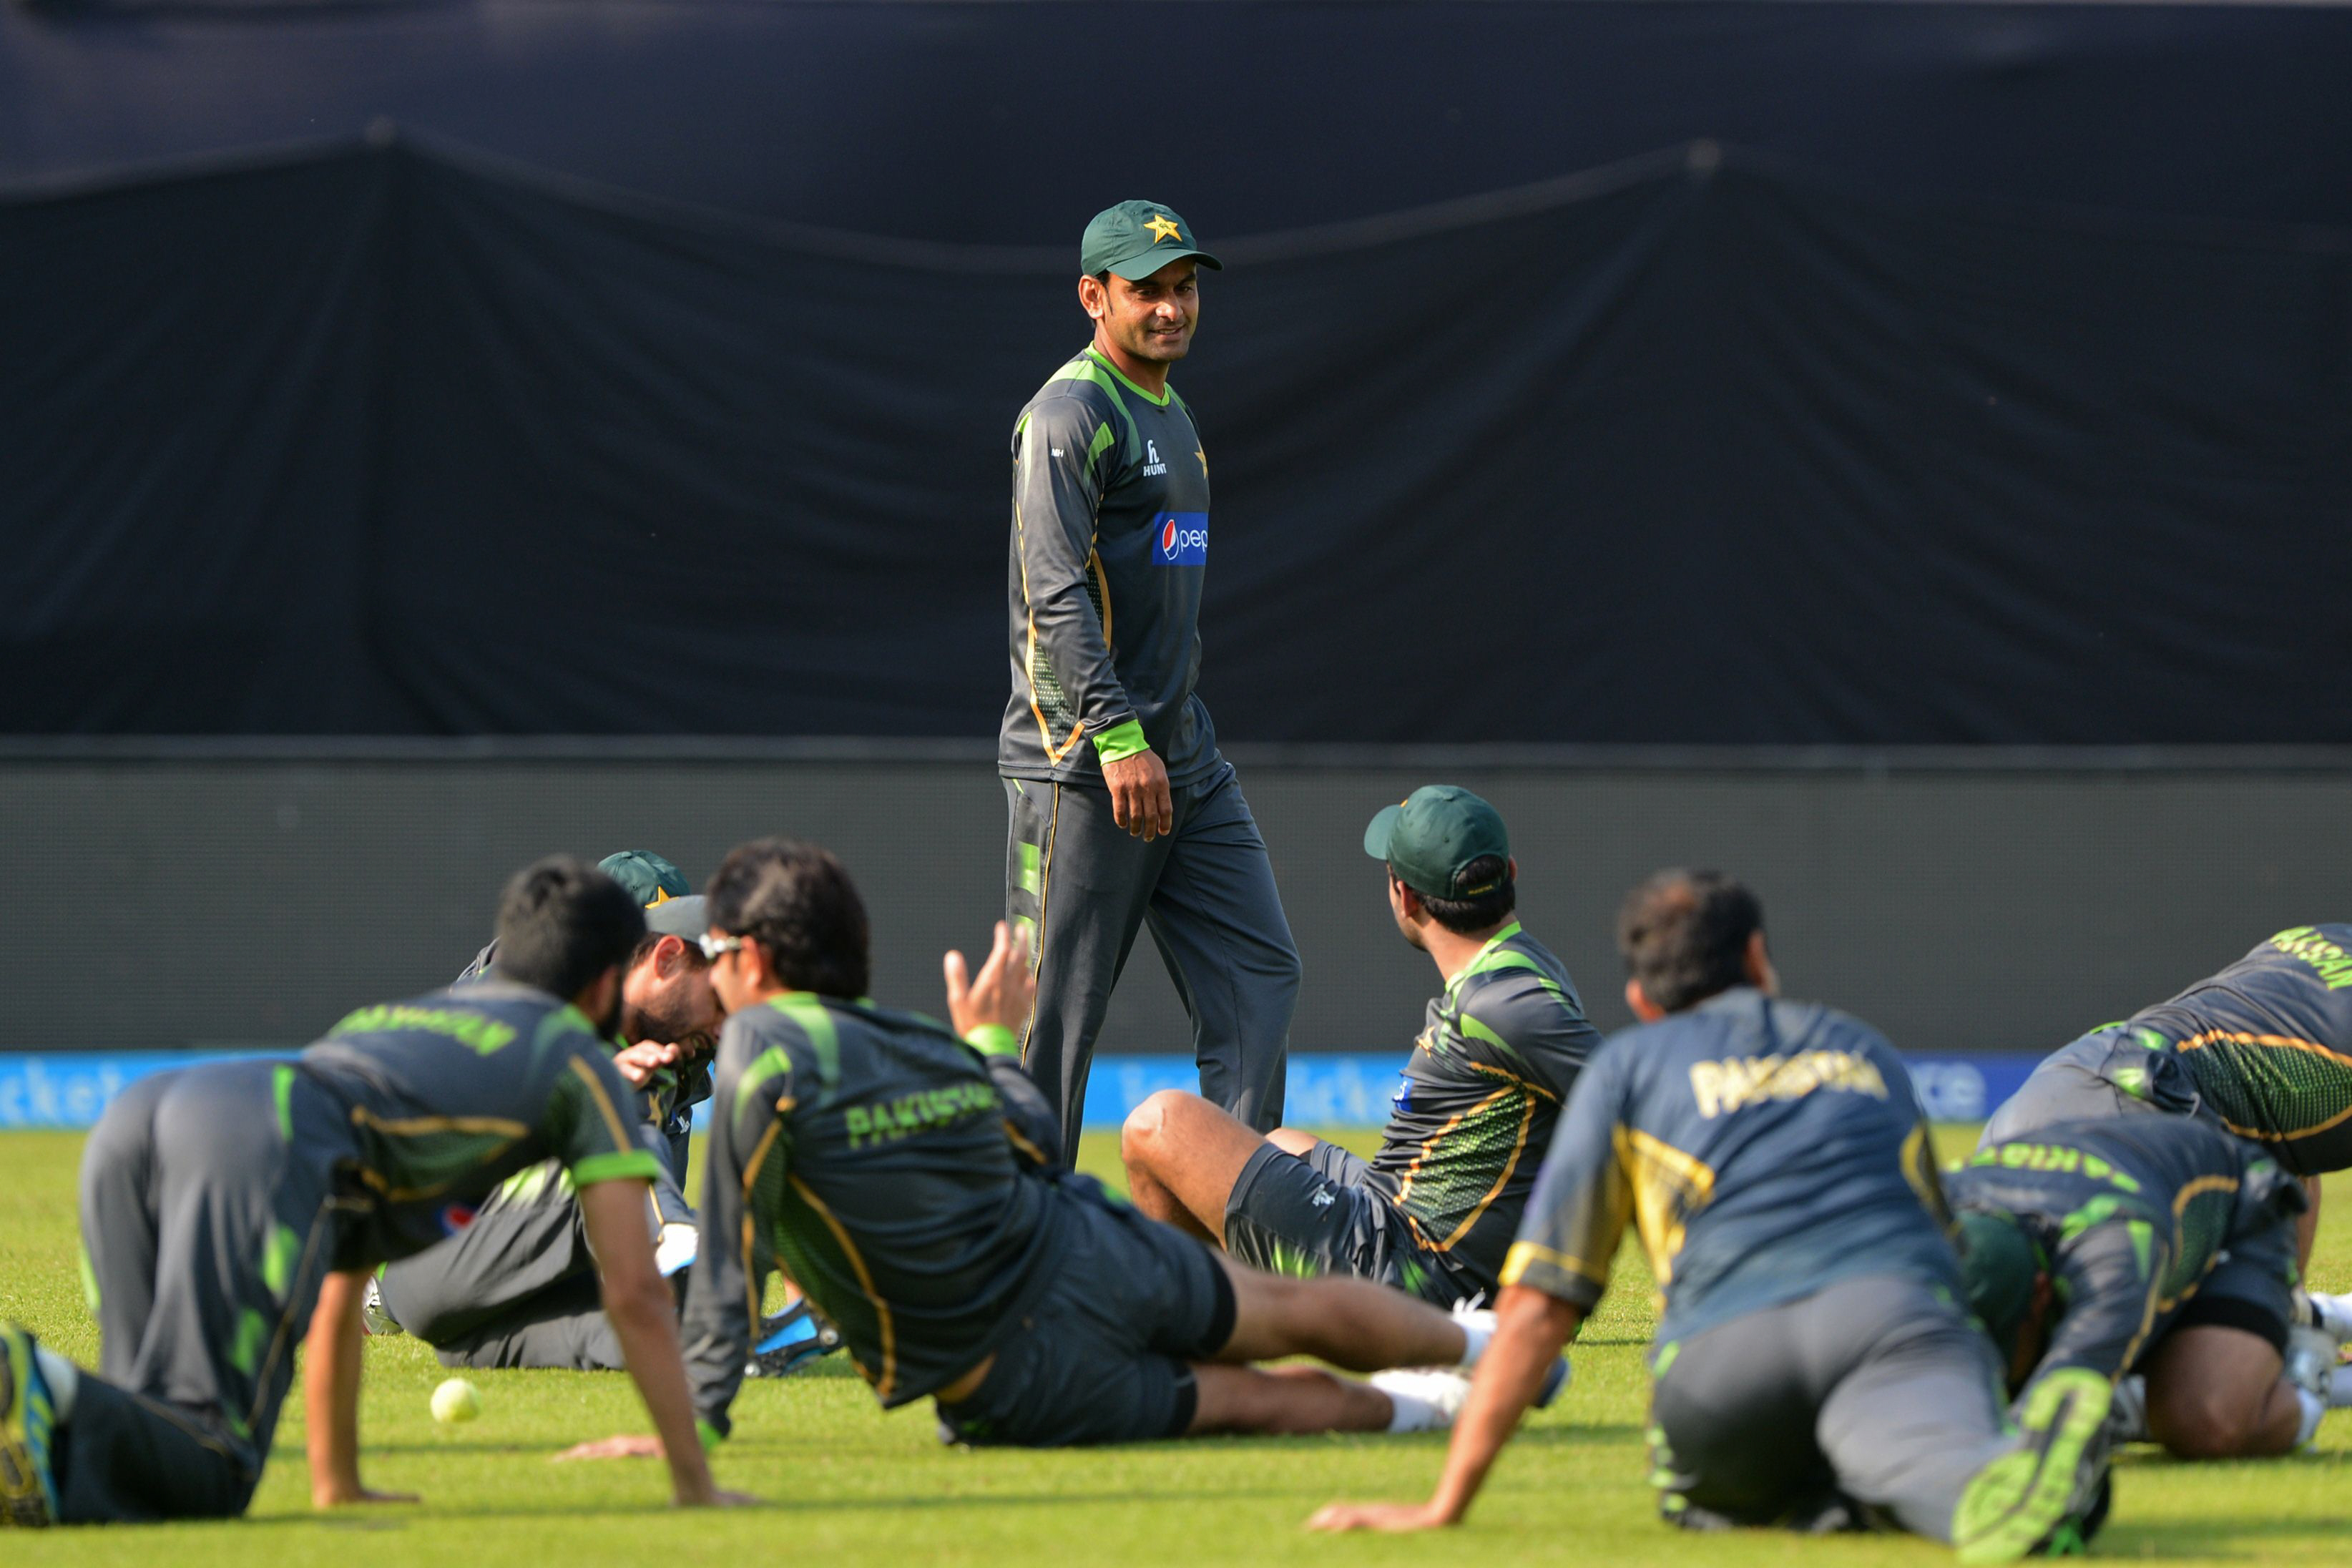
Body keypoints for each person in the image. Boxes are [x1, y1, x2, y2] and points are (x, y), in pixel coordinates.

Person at [562, 839, 1567, 1466]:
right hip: (1086, 1244)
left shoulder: (749, 1066)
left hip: (1016, 1365)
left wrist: (682, 1442)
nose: (716, 967)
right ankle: (1499, 1354)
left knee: (1260, 1400)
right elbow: (1037, 1145)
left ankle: (1424, 1410)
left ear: (762, 964)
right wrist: (996, 1043)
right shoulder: (911, 1041)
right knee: (1292, 1308)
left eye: (725, 949)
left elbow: (729, 1283)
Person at [1309, 871, 2110, 1563]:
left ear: (1639, 998)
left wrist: (1443, 1502)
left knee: (1712, 1496)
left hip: (1724, 1366)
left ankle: (1839, 1492)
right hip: (1886, 1320)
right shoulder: (1858, 1044)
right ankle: (1963, 1474)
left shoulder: (1626, 1067)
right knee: (1917, 1442)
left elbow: (1540, 1307)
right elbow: (1946, 1249)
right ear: (1759, 957)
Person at [0, 857, 749, 1527]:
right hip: (255, 1134)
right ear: (604, 979)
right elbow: (636, 1292)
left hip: (143, 1114)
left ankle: (33, 1404)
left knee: (148, 1431)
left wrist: (339, 1483)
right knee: (215, 1464)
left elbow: (343, 1281)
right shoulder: (581, 1064)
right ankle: (19, 1373)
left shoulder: (408, 1015)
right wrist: (692, 1480)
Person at [999, 199, 1298, 1138]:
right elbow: (1053, 593)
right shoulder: (1068, 414)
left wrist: (1163, 739)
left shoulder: (1171, 412)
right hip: (1085, 764)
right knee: (1050, 1032)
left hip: (1183, 756)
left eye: (1182, 289)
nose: (1171, 309)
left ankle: (1242, 1230)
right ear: (1093, 296)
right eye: (1147, 292)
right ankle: (1020, 1261)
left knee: (1260, 975)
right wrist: (1118, 737)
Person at [1120, 785, 1599, 1306]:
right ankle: (1228, 1306)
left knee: (1157, 1124)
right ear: (1509, 872)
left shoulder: (1505, 1005)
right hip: (1395, 1214)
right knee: (1279, 1142)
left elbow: (1629, 1095)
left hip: (1410, 1267)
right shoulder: (1525, 963)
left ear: (1406, 897)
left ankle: (1189, 1324)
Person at [371, 888, 733, 1372]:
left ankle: (737, 1335)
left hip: (479, 1317)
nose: (724, 1028)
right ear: (666, 957)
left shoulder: (663, 1059)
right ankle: (679, 1244)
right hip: (432, 1250)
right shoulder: (549, 984)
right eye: (719, 1001)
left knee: (674, 1334)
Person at [1952, 1115, 2323, 1460]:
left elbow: (2037, 1430)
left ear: (2040, 1294)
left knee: (2205, 1418)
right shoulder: (1922, 1223)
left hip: (2232, 1206)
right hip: (2129, 1198)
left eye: (1998, 1353)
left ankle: (2304, 1357)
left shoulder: (2112, 1257)